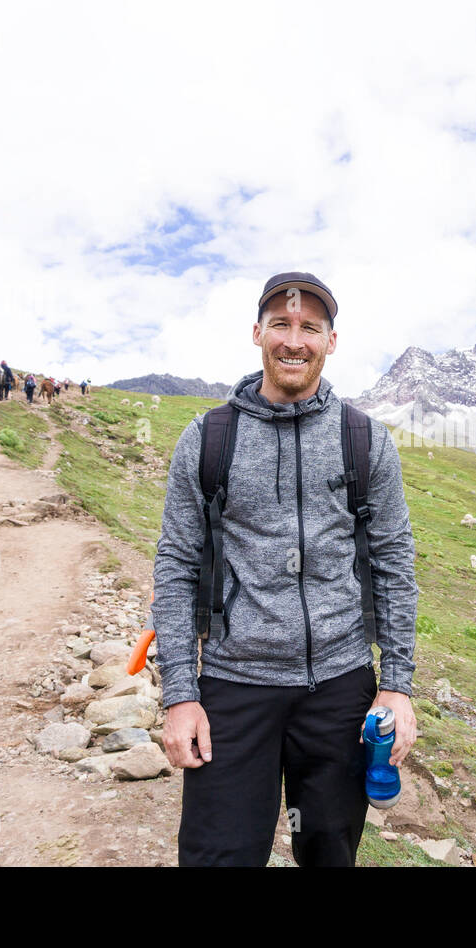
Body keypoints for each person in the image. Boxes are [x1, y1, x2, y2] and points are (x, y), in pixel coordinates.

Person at [153, 271, 418, 867]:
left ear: (331, 340)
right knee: (218, 856)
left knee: (329, 853)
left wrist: (397, 684)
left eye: (309, 327)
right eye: (280, 324)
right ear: (257, 333)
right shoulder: (208, 438)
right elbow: (175, 564)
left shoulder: (365, 441)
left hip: (340, 685)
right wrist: (179, 695)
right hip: (233, 683)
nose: (293, 340)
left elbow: (393, 563)